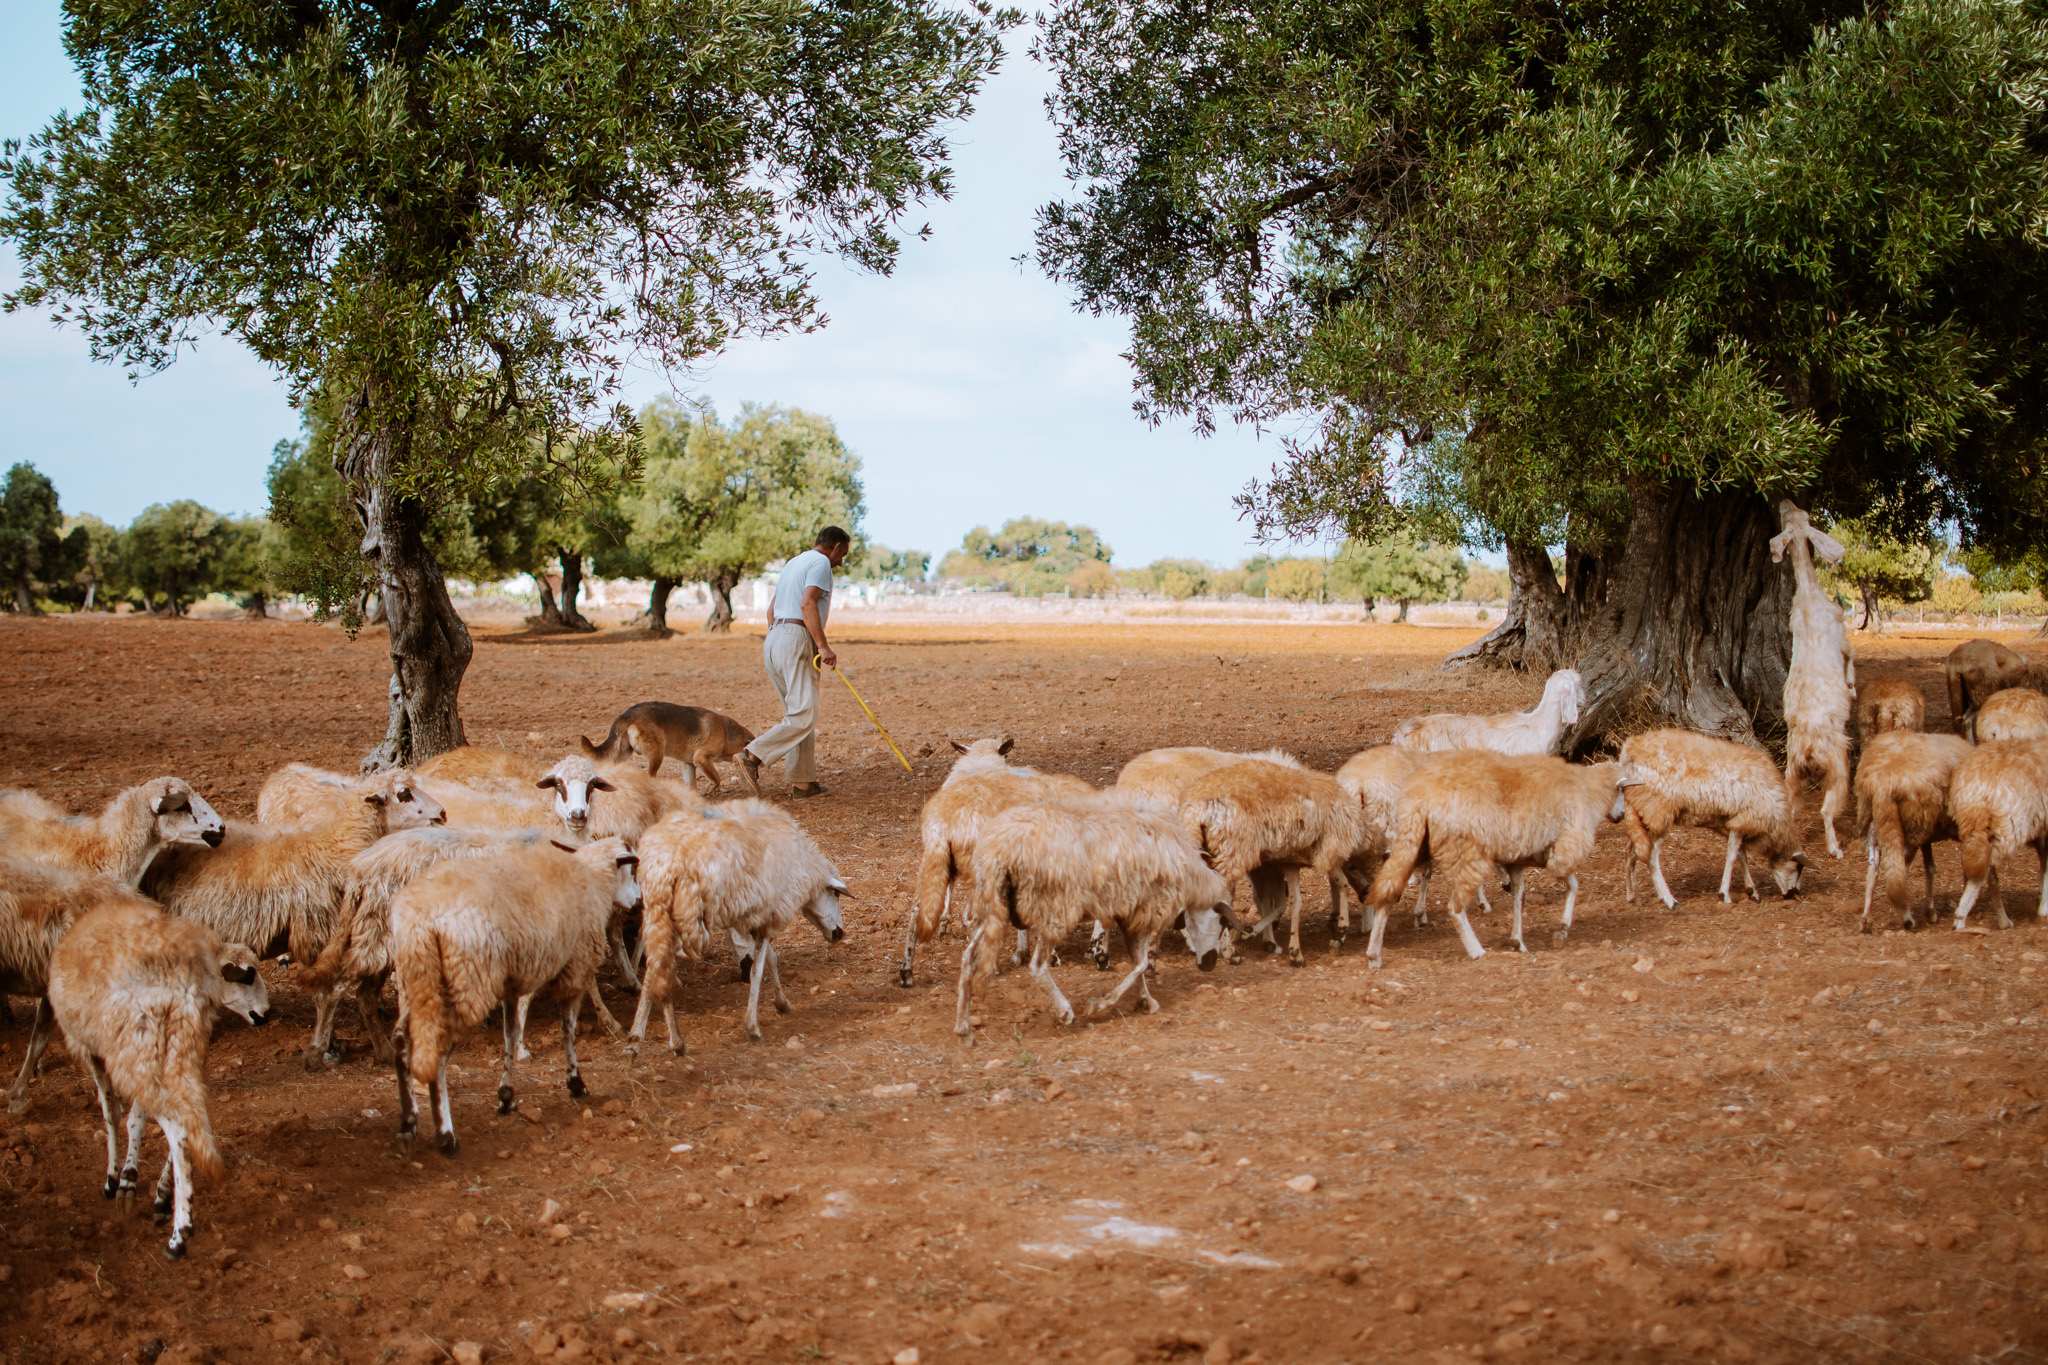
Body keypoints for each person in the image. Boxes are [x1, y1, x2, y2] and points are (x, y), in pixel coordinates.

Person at [740, 526, 851, 798]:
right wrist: (822, 646)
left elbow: (771, 609)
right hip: (796, 636)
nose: (841, 561)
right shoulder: (821, 562)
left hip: (775, 637)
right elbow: (808, 604)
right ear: (835, 546)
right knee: (804, 713)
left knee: (798, 712)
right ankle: (752, 755)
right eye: (842, 554)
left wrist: (781, 637)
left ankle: (803, 782)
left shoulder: (794, 562)